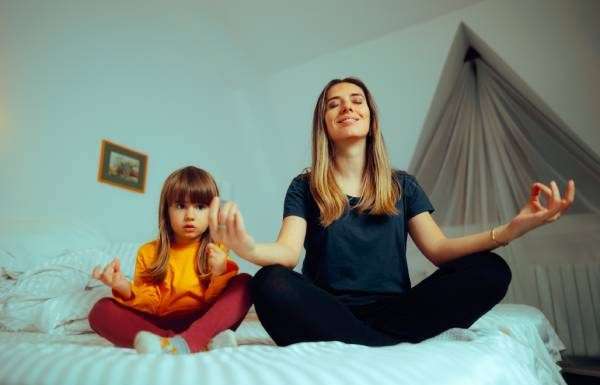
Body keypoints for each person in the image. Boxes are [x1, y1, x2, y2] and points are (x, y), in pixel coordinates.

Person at [209, 77, 576, 347]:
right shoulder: (304, 186)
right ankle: (378, 342)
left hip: (397, 311)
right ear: (323, 123)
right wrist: (247, 248)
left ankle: (363, 340)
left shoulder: (404, 185)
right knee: (269, 282)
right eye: (334, 104)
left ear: (370, 117)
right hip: (327, 311)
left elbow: (440, 250)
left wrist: (510, 230)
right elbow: (287, 254)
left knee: (491, 269)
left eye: (356, 100)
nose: (347, 107)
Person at [88, 166, 252, 354]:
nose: (190, 215)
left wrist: (220, 272)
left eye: (200, 207)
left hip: (205, 320)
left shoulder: (217, 248)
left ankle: (191, 340)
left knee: (245, 282)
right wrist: (123, 287)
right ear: (167, 210)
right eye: (181, 206)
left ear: (211, 211)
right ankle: (183, 342)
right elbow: (151, 304)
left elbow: (216, 303)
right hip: (162, 321)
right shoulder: (148, 252)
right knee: (100, 311)